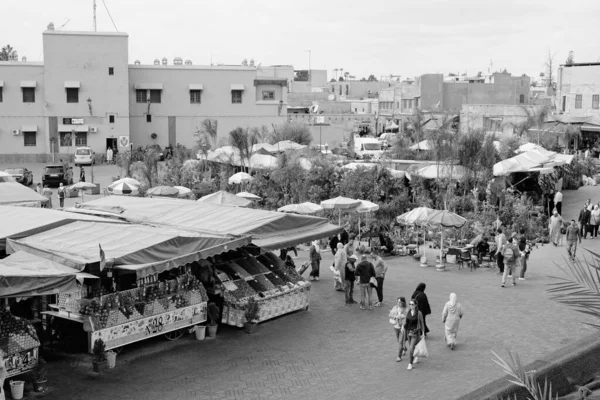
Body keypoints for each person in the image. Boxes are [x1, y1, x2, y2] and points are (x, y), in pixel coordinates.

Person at [402, 298, 425, 371]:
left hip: (415, 332)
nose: (410, 305)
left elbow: (422, 323)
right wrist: (403, 326)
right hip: (408, 332)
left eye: (412, 304)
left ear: (415, 305)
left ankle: (410, 363)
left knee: (411, 347)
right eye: (410, 304)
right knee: (412, 347)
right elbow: (406, 320)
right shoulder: (408, 312)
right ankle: (416, 356)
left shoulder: (419, 313)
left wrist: (423, 332)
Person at [389, 297, 408, 361]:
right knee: (399, 340)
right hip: (396, 327)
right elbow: (390, 315)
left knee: (400, 342)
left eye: (400, 302)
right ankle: (404, 348)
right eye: (398, 302)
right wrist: (395, 317)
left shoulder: (406, 309)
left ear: (403, 302)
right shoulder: (395, 307)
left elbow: (407, 318)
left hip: (403, 328)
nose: (398, 303)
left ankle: (399, 356)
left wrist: (402, 317)